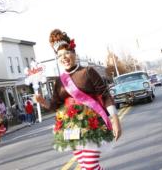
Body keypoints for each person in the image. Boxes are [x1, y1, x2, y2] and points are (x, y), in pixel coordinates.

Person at [35, 29, 122, 170]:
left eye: (67, 53)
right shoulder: (59, 81)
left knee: (90, 166)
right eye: (60, 56)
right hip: (71, 128)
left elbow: (105, 95)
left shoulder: (88, 72)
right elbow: (55, 106)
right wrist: (42, 102)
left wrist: (115, 119)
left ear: (74, 54)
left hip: (91, 124)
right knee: (84, 165)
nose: (64, 57)